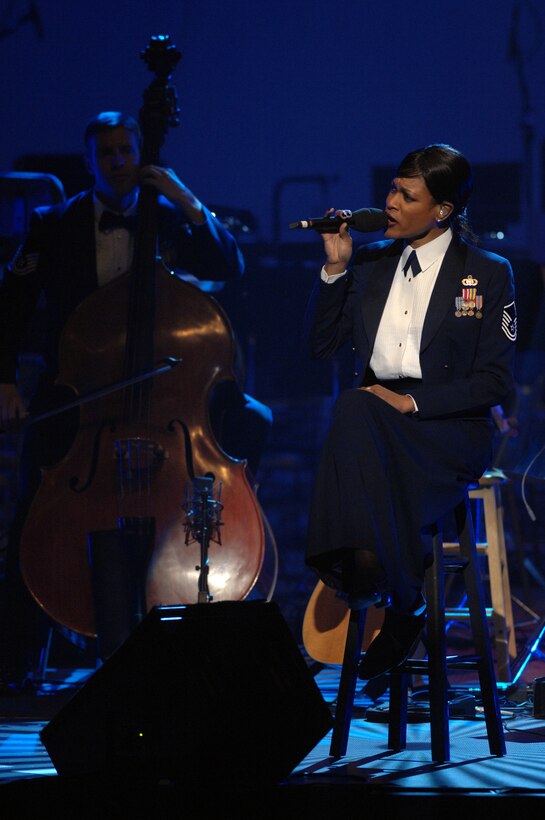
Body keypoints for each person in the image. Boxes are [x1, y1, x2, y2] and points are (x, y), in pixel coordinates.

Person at [0, 111, 271, 687]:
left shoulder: (170, 218)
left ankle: (211, 569)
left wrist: (183, 195)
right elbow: (11, 304)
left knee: (253, 422)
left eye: (127, 151)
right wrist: (4, 379)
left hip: (169, 394)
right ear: (90, 162)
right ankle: (17, 657)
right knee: (34, 494)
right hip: (83, 396)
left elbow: (231, 264)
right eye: (108, 155)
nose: (119, 162)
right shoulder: (53, 224)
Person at [305, 143, 517, 681]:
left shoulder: (487, 273)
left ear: (442, 209)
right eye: (392, 189)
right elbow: (321, 346)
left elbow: (494, 380)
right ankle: (406, 600)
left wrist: (411, 401)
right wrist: (334, 270)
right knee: (355, 409)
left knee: (356, 411)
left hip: (444, 427)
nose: (390, 201)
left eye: (407, 194)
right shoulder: (372, 261)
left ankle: (362, 574)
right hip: (374, 424)